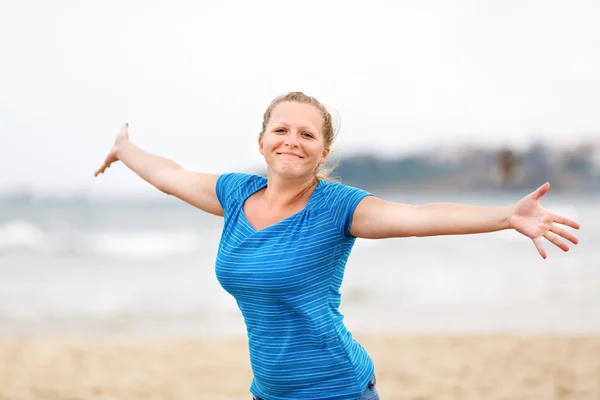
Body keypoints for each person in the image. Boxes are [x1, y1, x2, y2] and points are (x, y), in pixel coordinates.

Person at [94, 91, 580, 400]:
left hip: (336, 389)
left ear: (323, 152)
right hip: (269, 392)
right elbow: (171, 177)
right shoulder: (235, 195)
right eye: (281, 130)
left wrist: (505, 216)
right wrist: (125, 148)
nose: (292, 140)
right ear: (262, 141)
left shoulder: (336, 207)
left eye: (307, 134)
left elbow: (417, 217)